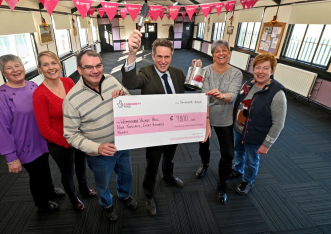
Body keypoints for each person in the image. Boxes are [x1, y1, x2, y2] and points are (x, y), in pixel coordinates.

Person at [121, 30, 200, 216]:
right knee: (152, 162)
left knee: (170, 156)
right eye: (159, 57)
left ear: (172, 56)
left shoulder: (178, 73)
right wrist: (132, 54)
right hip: (155, 129)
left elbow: (192, 87)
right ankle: (148, 193)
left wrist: (196, 70)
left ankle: (168, 175)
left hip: (175, 127)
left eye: (167, 57)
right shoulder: (146, 72)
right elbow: (131, 82)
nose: (163, 61)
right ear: (152, 56)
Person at [63, 49, 137, 222]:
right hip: (99, 153)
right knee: (103, 183)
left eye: (98, 66)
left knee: (127, 175)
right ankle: (107, 204)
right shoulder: (71, 100)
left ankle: (124, 195)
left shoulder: (111, 79)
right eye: (89, 67)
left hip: (122, 143)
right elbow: (71, 135)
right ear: (79, 70)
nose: (95, 71)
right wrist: (97, 147)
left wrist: (123, 97)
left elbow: (130, 99)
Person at [0, 54, 65, 212]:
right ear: (4, 73)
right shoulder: (0, 96)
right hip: (24, 144)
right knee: (36, 175)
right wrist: (11, 158)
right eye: (9, 68)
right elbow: (1, 129)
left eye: (18, 66)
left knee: (44, 167)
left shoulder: (32, 86)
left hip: (42, 139)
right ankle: (42, 204)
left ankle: (50, 189)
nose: (15, 70)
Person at [32, 51, 96, 212]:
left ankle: (84, 188)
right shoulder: (39, 94)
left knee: (81, 167)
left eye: (53, 63)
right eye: (45, 65)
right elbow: (44, 129)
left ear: (59, 65)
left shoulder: (68, 82)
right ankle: (74, 198)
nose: (51, 68)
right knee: (68, 173)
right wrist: (68, 141)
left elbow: (80, 106)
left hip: (79, 136)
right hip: (60, 143)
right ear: (40, 69)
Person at [194, 39, 242, 205]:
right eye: (217, 51)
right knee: (203, 144)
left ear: (229, 53)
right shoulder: (205, 71)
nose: (221, 53)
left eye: (224, 50)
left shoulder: (236, 73)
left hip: (225, 116)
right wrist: (207, 122)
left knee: (228, 153)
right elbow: (204, 98)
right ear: (212, 54)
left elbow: (233, 94)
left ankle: (222, 184)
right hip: (205, 115)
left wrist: (222, 96)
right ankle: (205, 164)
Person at [231, 53, 287, 194]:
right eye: (257, 67)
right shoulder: (248, 83)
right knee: (238, 152)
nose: (260, 71)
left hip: (256, 135)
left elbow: (278, 124)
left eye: (265, 68)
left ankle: (248, 181)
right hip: (239, 129)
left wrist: (266, 144)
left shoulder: (277, 93)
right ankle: (238, 169)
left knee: (251, 160)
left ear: (272, 71)